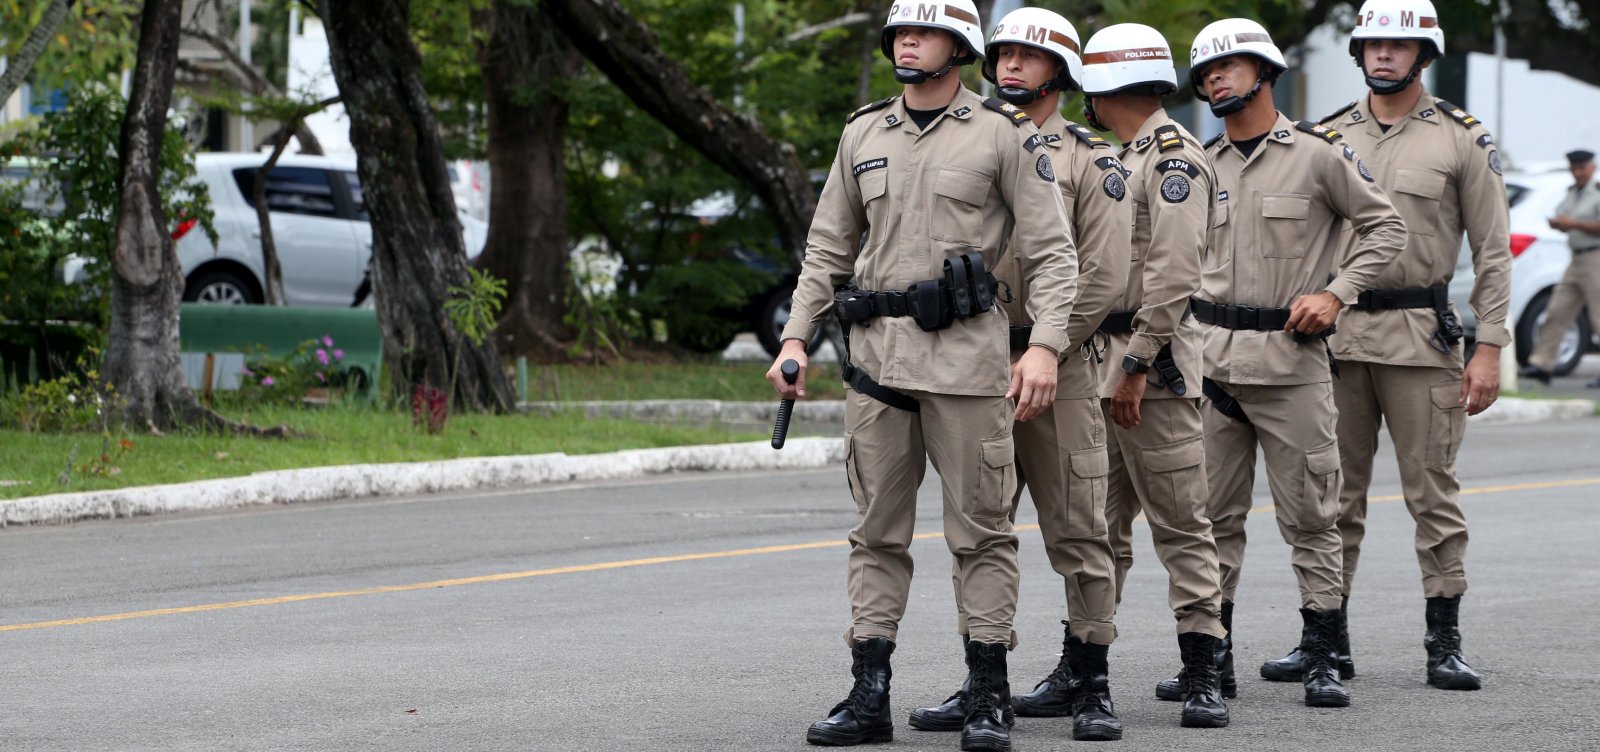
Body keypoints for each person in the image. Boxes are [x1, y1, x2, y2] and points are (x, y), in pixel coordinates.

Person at [768, 2, 1081, 748]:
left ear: (959, 45)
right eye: (900, 30)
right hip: (877, 364)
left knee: (981, 534)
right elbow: (827, 249)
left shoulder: (1005, 134)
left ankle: (987, 693)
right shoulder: (863, 132)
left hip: (967, 368)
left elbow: (1052, 254)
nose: (908, 40)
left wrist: (1044, 347)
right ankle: (868, 692)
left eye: (925, 30)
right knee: (876, 533)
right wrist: (795, 338)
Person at [1255, 0, 1511, 693]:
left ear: (1424, 54)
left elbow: (1492, 251)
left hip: (1422, 340)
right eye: (1373, 44)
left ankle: (1444, 642)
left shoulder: (1462, 138)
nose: (1384, 55)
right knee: (1331, 498)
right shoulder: (1327, 135)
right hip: (1334, 339)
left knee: (1434, 496)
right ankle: (1326, 641)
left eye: (1400, 45)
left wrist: (1489, 346)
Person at [908, 7, 1131, 743]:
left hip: (1056, 366)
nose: (1009, 67)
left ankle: (1089, 679)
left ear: (1060, 73)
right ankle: (984, 681)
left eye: (1028, 58)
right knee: (979, 529)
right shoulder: (966, 139)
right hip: (971, 363)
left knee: (1079, 529)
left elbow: (1100, 276)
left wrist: (1047, 347)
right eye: (1001, 54)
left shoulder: (1090, 161)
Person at [1184, 17, 1406, 709]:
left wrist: (1338, 293)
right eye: (1206, 73)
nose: (1216, 79)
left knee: (1312, 517)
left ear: (1266, 72)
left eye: (1230, 66)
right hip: (1214, 366)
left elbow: (1387, 226)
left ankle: (1321, 653)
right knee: (1211, 521)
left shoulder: (1318, 154)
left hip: (1292, 367)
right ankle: (1210, 660)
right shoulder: (1200, 163)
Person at [1076, 22, 1229, 729]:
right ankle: (1083, 665)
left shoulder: (1173, 159)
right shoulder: (1125, 155)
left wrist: (1136, 363)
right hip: (1104, 360)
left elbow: (1173, 275)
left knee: (1179, 524)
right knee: (1097, 527)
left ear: (1106, 88)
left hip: (1152, 366)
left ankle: (1203, 669)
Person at [1521, 149, 1600, 387]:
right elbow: (1562, 217)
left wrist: (1573, 224)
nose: (1578, 173)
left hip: (1595, 258)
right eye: (1574, 169)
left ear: (1591, 168)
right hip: (1575, 260)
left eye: (1582, 168)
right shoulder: (1571, 194)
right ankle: (1542, 363)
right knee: (1557, 310)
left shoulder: (1597, 194)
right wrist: (1559, 224)